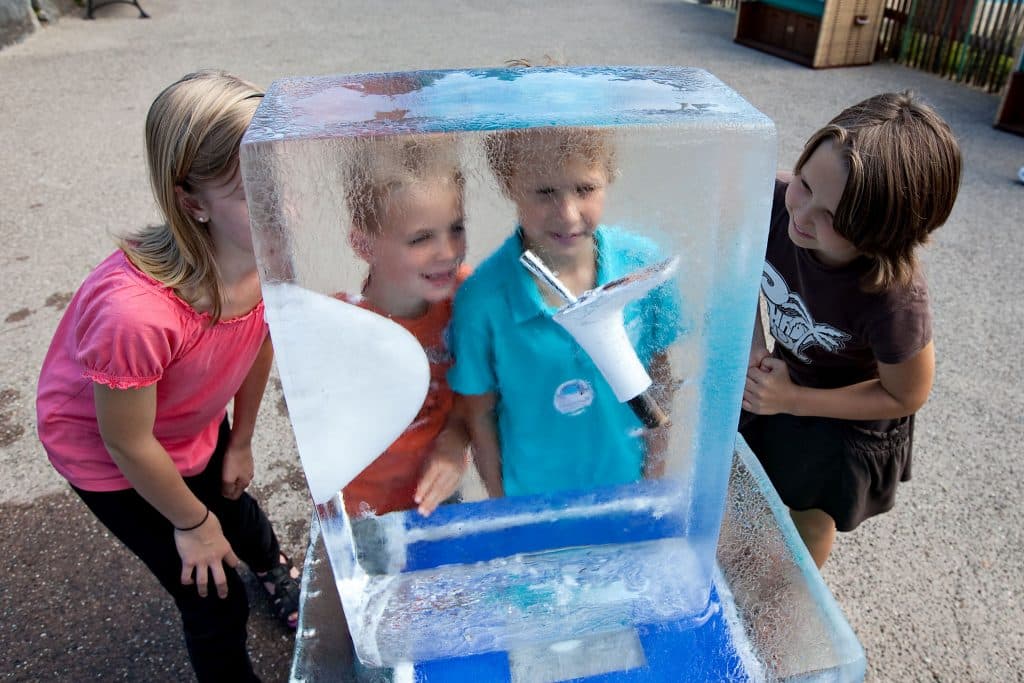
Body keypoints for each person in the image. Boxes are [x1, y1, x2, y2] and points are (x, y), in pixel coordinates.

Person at [36, 70, 300, 682]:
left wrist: (240, 440)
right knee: (213, 597)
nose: (283, 205)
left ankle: (273, 568)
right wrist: (192, 523)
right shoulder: (135, 312)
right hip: (112, 457)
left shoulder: (264, 255)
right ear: (191, 201)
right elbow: (127, 441)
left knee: (239, 506)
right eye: (252, 190)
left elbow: (258, 338)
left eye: (283, 177)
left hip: (191, 422)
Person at [740, 92, 962, 568]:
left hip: (847, 414)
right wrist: (755, 343)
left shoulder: (893, 297)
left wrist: (793, 400)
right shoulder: (773, 201)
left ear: (887, 232)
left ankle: (793, 599)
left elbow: (906, 395)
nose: (800, 217)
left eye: (832, 219)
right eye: (804, 184)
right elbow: (732, 268)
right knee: (757, 481)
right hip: (787, 377)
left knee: (810, 514)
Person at [448, 125, 681, 499]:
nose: (568, 214)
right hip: (535, 502)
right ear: (509, 184)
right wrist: (505, 510)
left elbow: (660, 376)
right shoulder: (482, 300)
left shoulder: (642, 266)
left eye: (585, 189)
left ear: (608, 173)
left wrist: (654, 481)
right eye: (544, 192)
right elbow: (480, 414)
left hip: (626, 490)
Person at [339, 135, 471, 518]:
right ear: (364, 246)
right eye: (421, 238)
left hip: (437, 493)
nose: (447, 252)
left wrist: (455, 440)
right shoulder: (342, 327)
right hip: (364, 509)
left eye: (456, 228)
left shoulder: (465, 297)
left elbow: (478, 384)